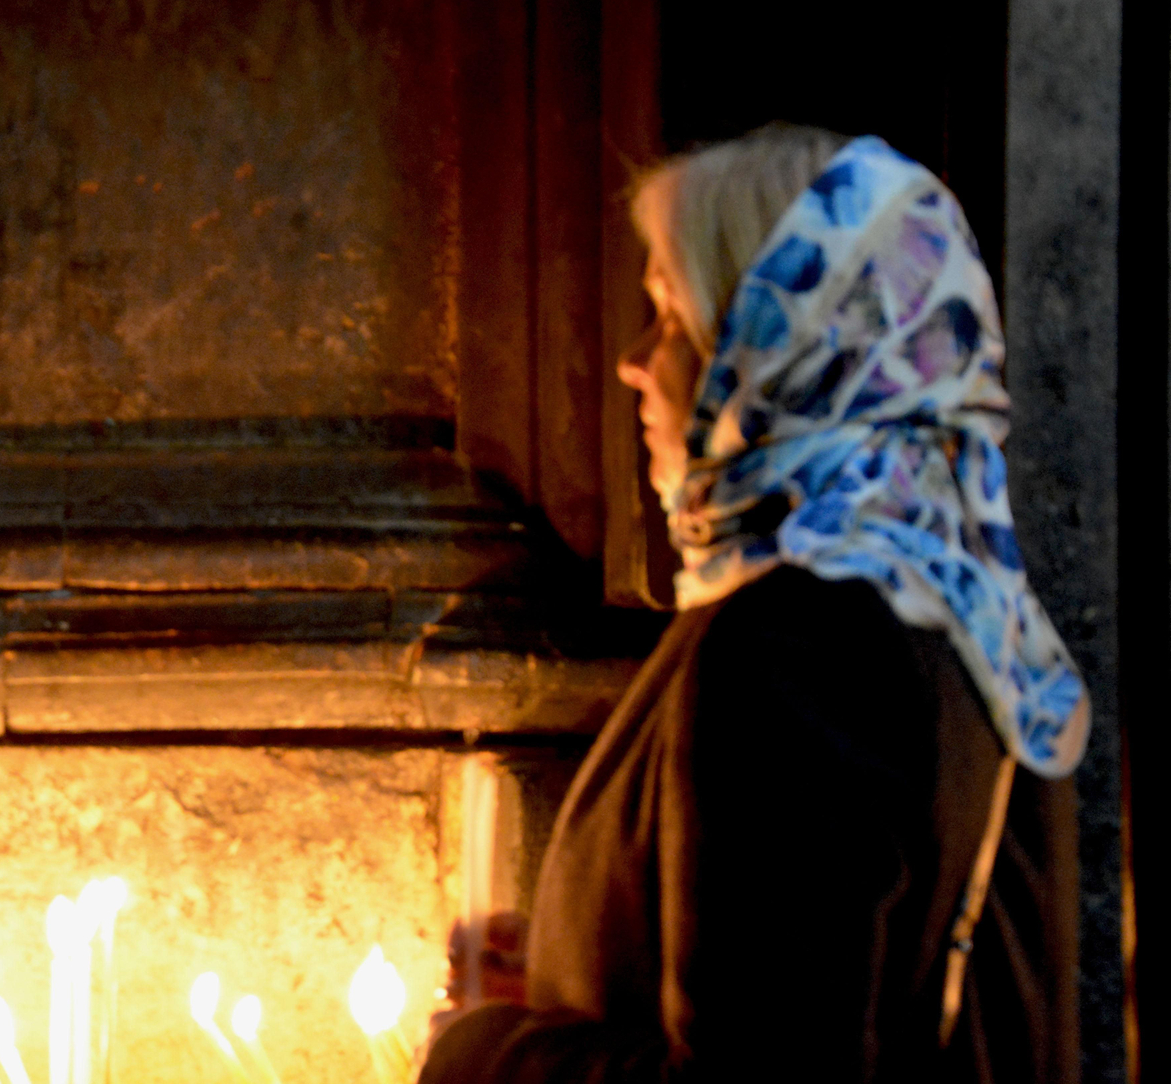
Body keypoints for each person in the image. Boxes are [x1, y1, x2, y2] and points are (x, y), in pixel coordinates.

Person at [420, 126, 1090, 1084]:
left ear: (777, 351)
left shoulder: (800, 641)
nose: (632, 362)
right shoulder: (961, 598)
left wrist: (487, 1051)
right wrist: (591, 961)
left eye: (672, 317)